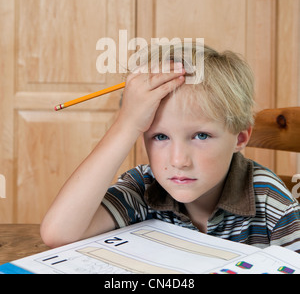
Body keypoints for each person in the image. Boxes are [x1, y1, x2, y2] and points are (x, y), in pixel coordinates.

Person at [40, 43, 300, 253]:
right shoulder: (144, 188)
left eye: (201, 135)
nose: (178, 161)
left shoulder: (269, 201)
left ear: (240, 138)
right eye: (160, 137)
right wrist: (127, 123)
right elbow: (59, 234)